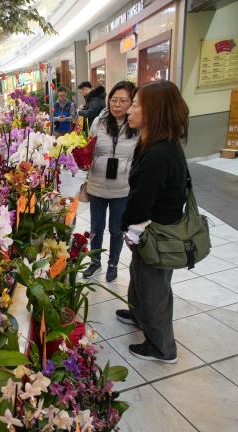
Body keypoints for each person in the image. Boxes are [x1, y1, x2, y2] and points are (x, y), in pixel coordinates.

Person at [117, 80, 189, 364]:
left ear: (153, 112)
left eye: (135, 104)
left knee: (154, 288)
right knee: (140, 277)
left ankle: (162, 348)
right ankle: (137, 314)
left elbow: (140, 203)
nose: (130, 109)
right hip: (152, 229)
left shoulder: (159, 154)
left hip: (156, 233)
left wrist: (127, 227)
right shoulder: (157, 144)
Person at [83, 81, 137, 282]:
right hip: (97, 185)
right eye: (114, 100)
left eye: (123, 101)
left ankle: (112, 264)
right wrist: (83, 161)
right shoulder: (99, 121)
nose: (117, 105)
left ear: (131, 102)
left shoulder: (136, 126)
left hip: (122, 189)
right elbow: (88, 148)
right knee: (96, 228)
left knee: (116, 230)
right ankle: (94, 261)